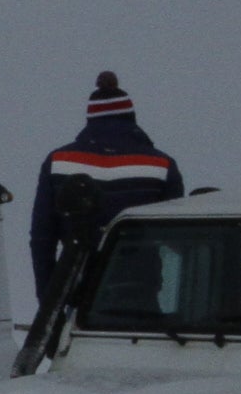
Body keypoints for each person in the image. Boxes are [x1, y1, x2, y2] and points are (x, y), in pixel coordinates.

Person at [30, 71, 184, 298]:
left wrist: (48, 299)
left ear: (90, 119)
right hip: (140, 293)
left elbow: (42, 238)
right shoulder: (161, 165)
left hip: (78, 292)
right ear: (131, 118)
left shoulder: (58, 163)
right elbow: (177, 239)